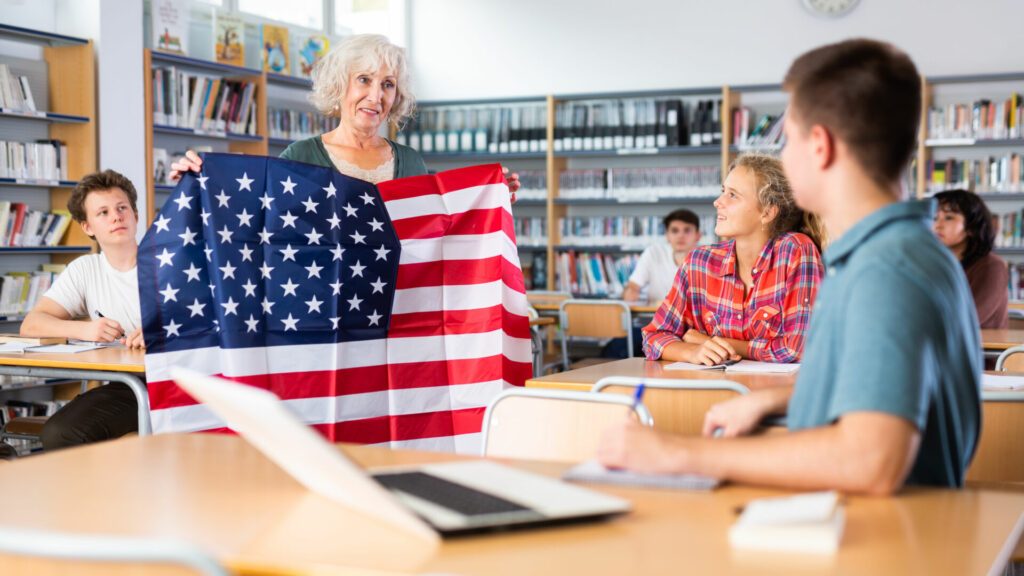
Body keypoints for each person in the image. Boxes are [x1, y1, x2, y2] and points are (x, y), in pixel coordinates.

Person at [598, 39, 981, 493]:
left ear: (819, 146)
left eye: (790, 139)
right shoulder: (898, 250)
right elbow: (880, 384)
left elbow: (871, 461)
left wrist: (674, 453)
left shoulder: (885, 271)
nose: (787, 155)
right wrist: (777, 400)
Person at [170, 34, 521, 193]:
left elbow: (438, 230)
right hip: (326, 309)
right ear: (340, 86)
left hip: (402, 309)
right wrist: (202, 177)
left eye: (387, 84)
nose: (375, 96)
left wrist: (489, 197)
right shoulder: (301, 156)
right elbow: (262, 213)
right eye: (364, 80)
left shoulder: (411, 162)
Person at [642, 153, 824, 366]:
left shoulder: (796, 251)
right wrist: (690, 351)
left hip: (775, 396)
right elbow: (653, 337)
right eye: (722, 192)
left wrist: (714, 342)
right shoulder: (699, 263)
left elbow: (799, 348)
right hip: (713, 393)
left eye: (733, 195)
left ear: (767, 212)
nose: (718, 202)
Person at [20, 169, 145, 450]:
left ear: (135, 215)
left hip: (180, 381)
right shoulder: (85, 269)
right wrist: (86, 329)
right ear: (87, 227)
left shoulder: (170, 261)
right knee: (60, 433)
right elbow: (32, 324)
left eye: (122, 208)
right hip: (130, 385)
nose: (116, 216)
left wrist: (163, 334)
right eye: (103, 212)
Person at [932, 189, 1008, 329]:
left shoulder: (991, 266)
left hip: (982, 348)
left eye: (949, 217)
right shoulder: (935, 264)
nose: (938, 225)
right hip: (937, 345)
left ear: (971, 228)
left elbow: (968, 318)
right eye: (934, 218)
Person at [621, 208, 702, 305]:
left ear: (698, 235)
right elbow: (632, 286)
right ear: (667, 235)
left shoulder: (707, 260)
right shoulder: (653, 254)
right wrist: (631, 292)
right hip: (655, 316)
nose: (680, 236)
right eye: (675, 231)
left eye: (687, 230)